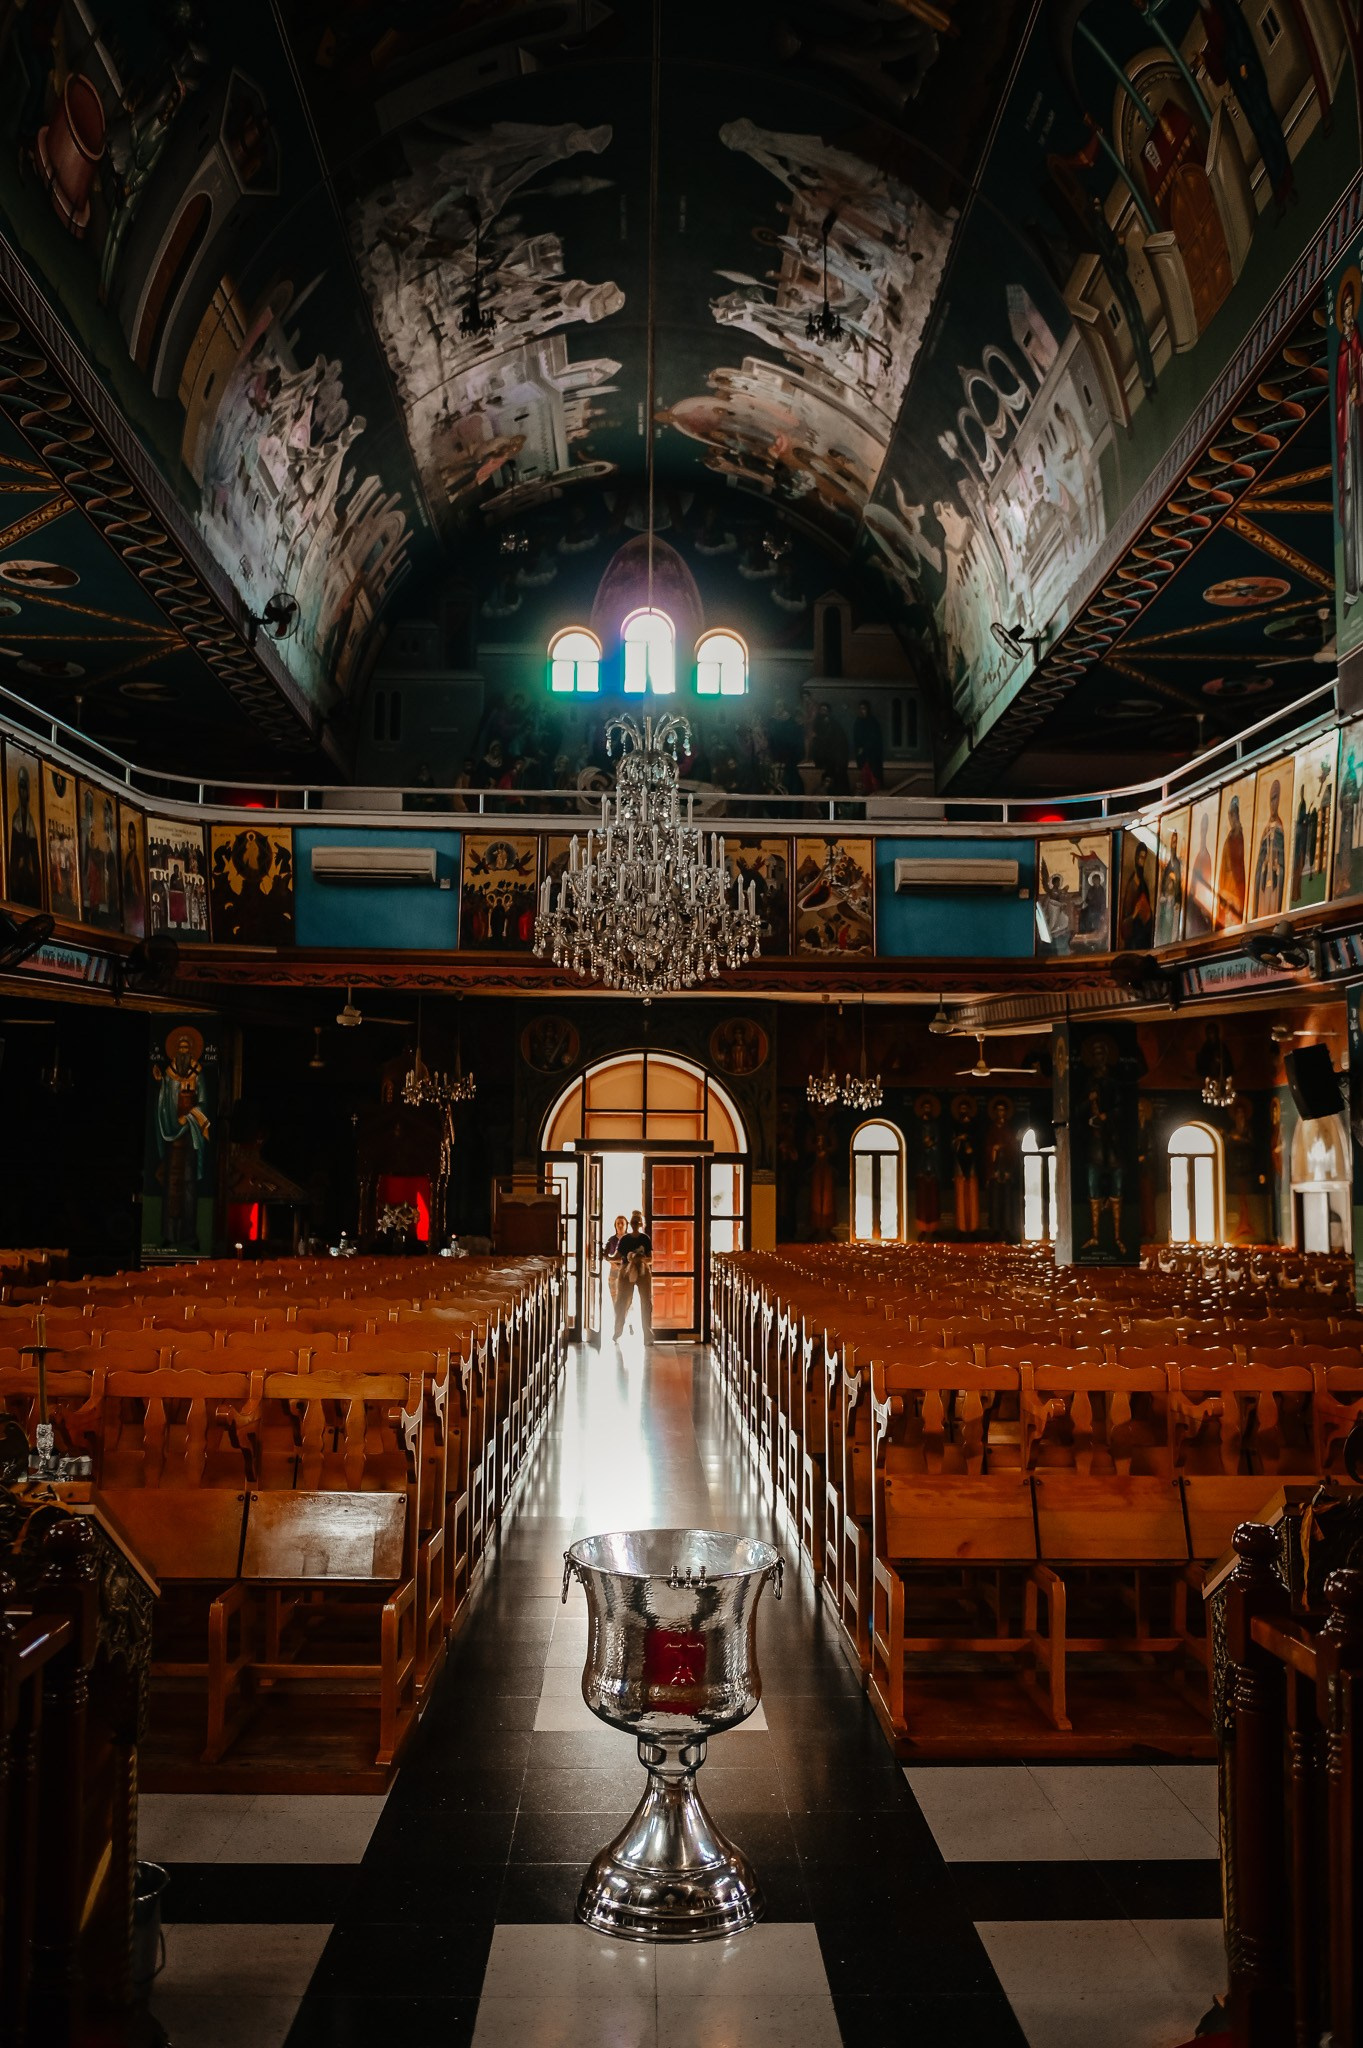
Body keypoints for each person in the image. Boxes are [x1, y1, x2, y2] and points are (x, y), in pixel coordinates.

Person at [613, 1210, 653, 1341]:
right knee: (622, 1301)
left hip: (642, 1270)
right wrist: (606, 1256)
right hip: (626, 1271)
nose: (634, 1224)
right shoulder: (624, 1239)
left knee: (646, 1302)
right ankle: (617, 1332)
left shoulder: (645, 1239)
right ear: (630, 1223)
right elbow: (617, 1256)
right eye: (633, 1222)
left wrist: (640, 1259)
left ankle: (648, 1335)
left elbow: (651, 1259)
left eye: (637, 1222)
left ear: (640, 1224)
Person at [603, 1213, 628, 1323]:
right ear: (615, 1225)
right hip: (614, 1271)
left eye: (622, 1223)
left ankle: (625, 1318)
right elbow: (605, 1255)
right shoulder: (611, 1240)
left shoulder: (630, 1239)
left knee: (626, 1297)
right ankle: (618, 1318)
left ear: (626, 1225)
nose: (620, 1225)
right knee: (615, 1296)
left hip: (626, 1271)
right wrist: (611, 1261)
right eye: (618, 1223)